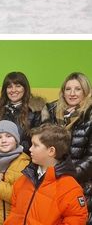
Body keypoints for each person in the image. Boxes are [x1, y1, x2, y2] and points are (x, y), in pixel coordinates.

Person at [4, 124, 88, 225]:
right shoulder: (24, 179)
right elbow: (14, 212)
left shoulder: (69, 188)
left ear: (51, 151)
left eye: (35, 145)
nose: (30, 149)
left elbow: (76, 219)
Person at [41, 72, 92, 224]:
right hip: (51, 182)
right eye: (68, 89)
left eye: (77, 89)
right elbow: (41, 145)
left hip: (81, 184)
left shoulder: (90, 115)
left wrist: (68, 176)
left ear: (86, 91)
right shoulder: (51, 111)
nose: (72, 93)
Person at [0, 72, 45, 152]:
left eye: (18, 86)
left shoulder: (35, 111)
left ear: (25, 88)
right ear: (5, 90)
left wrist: (21, 149)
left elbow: (40, 140)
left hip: (26, 157)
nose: (13, 90)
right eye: (9, 87)